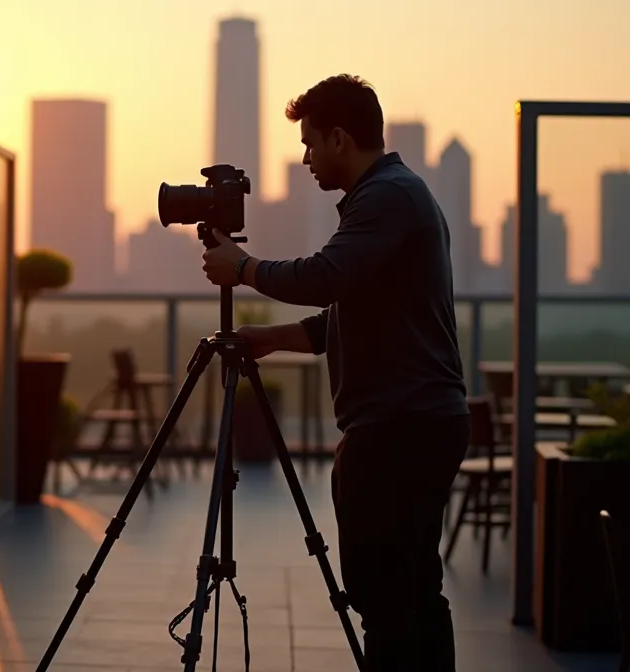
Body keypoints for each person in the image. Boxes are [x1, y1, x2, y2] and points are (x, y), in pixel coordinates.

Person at [200, 74, 470, 671]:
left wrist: (242, 267)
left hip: (398, 429)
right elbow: (344, 314)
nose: (306, 158)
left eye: (311, 143)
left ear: (341, 138)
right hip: (420, 422)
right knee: (415, 593)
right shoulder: (395, 195)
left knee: (387, 597)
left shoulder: (387, 197)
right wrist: (269, 339)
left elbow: (325, 275)